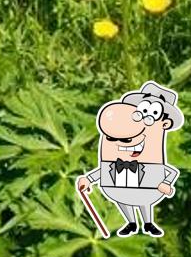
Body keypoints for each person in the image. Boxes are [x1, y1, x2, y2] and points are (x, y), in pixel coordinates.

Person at [77, 81, 183, 237]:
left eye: (151, 116)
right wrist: (88, 179)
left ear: (165, 123)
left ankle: (148, 223)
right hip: (118, 188)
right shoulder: (117, 140)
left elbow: (171, 172)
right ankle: (131, 223)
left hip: (147, 188)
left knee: (144, 201)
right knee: (124, 201)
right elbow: (104, 171)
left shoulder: (153, 153)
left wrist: (165, 184)